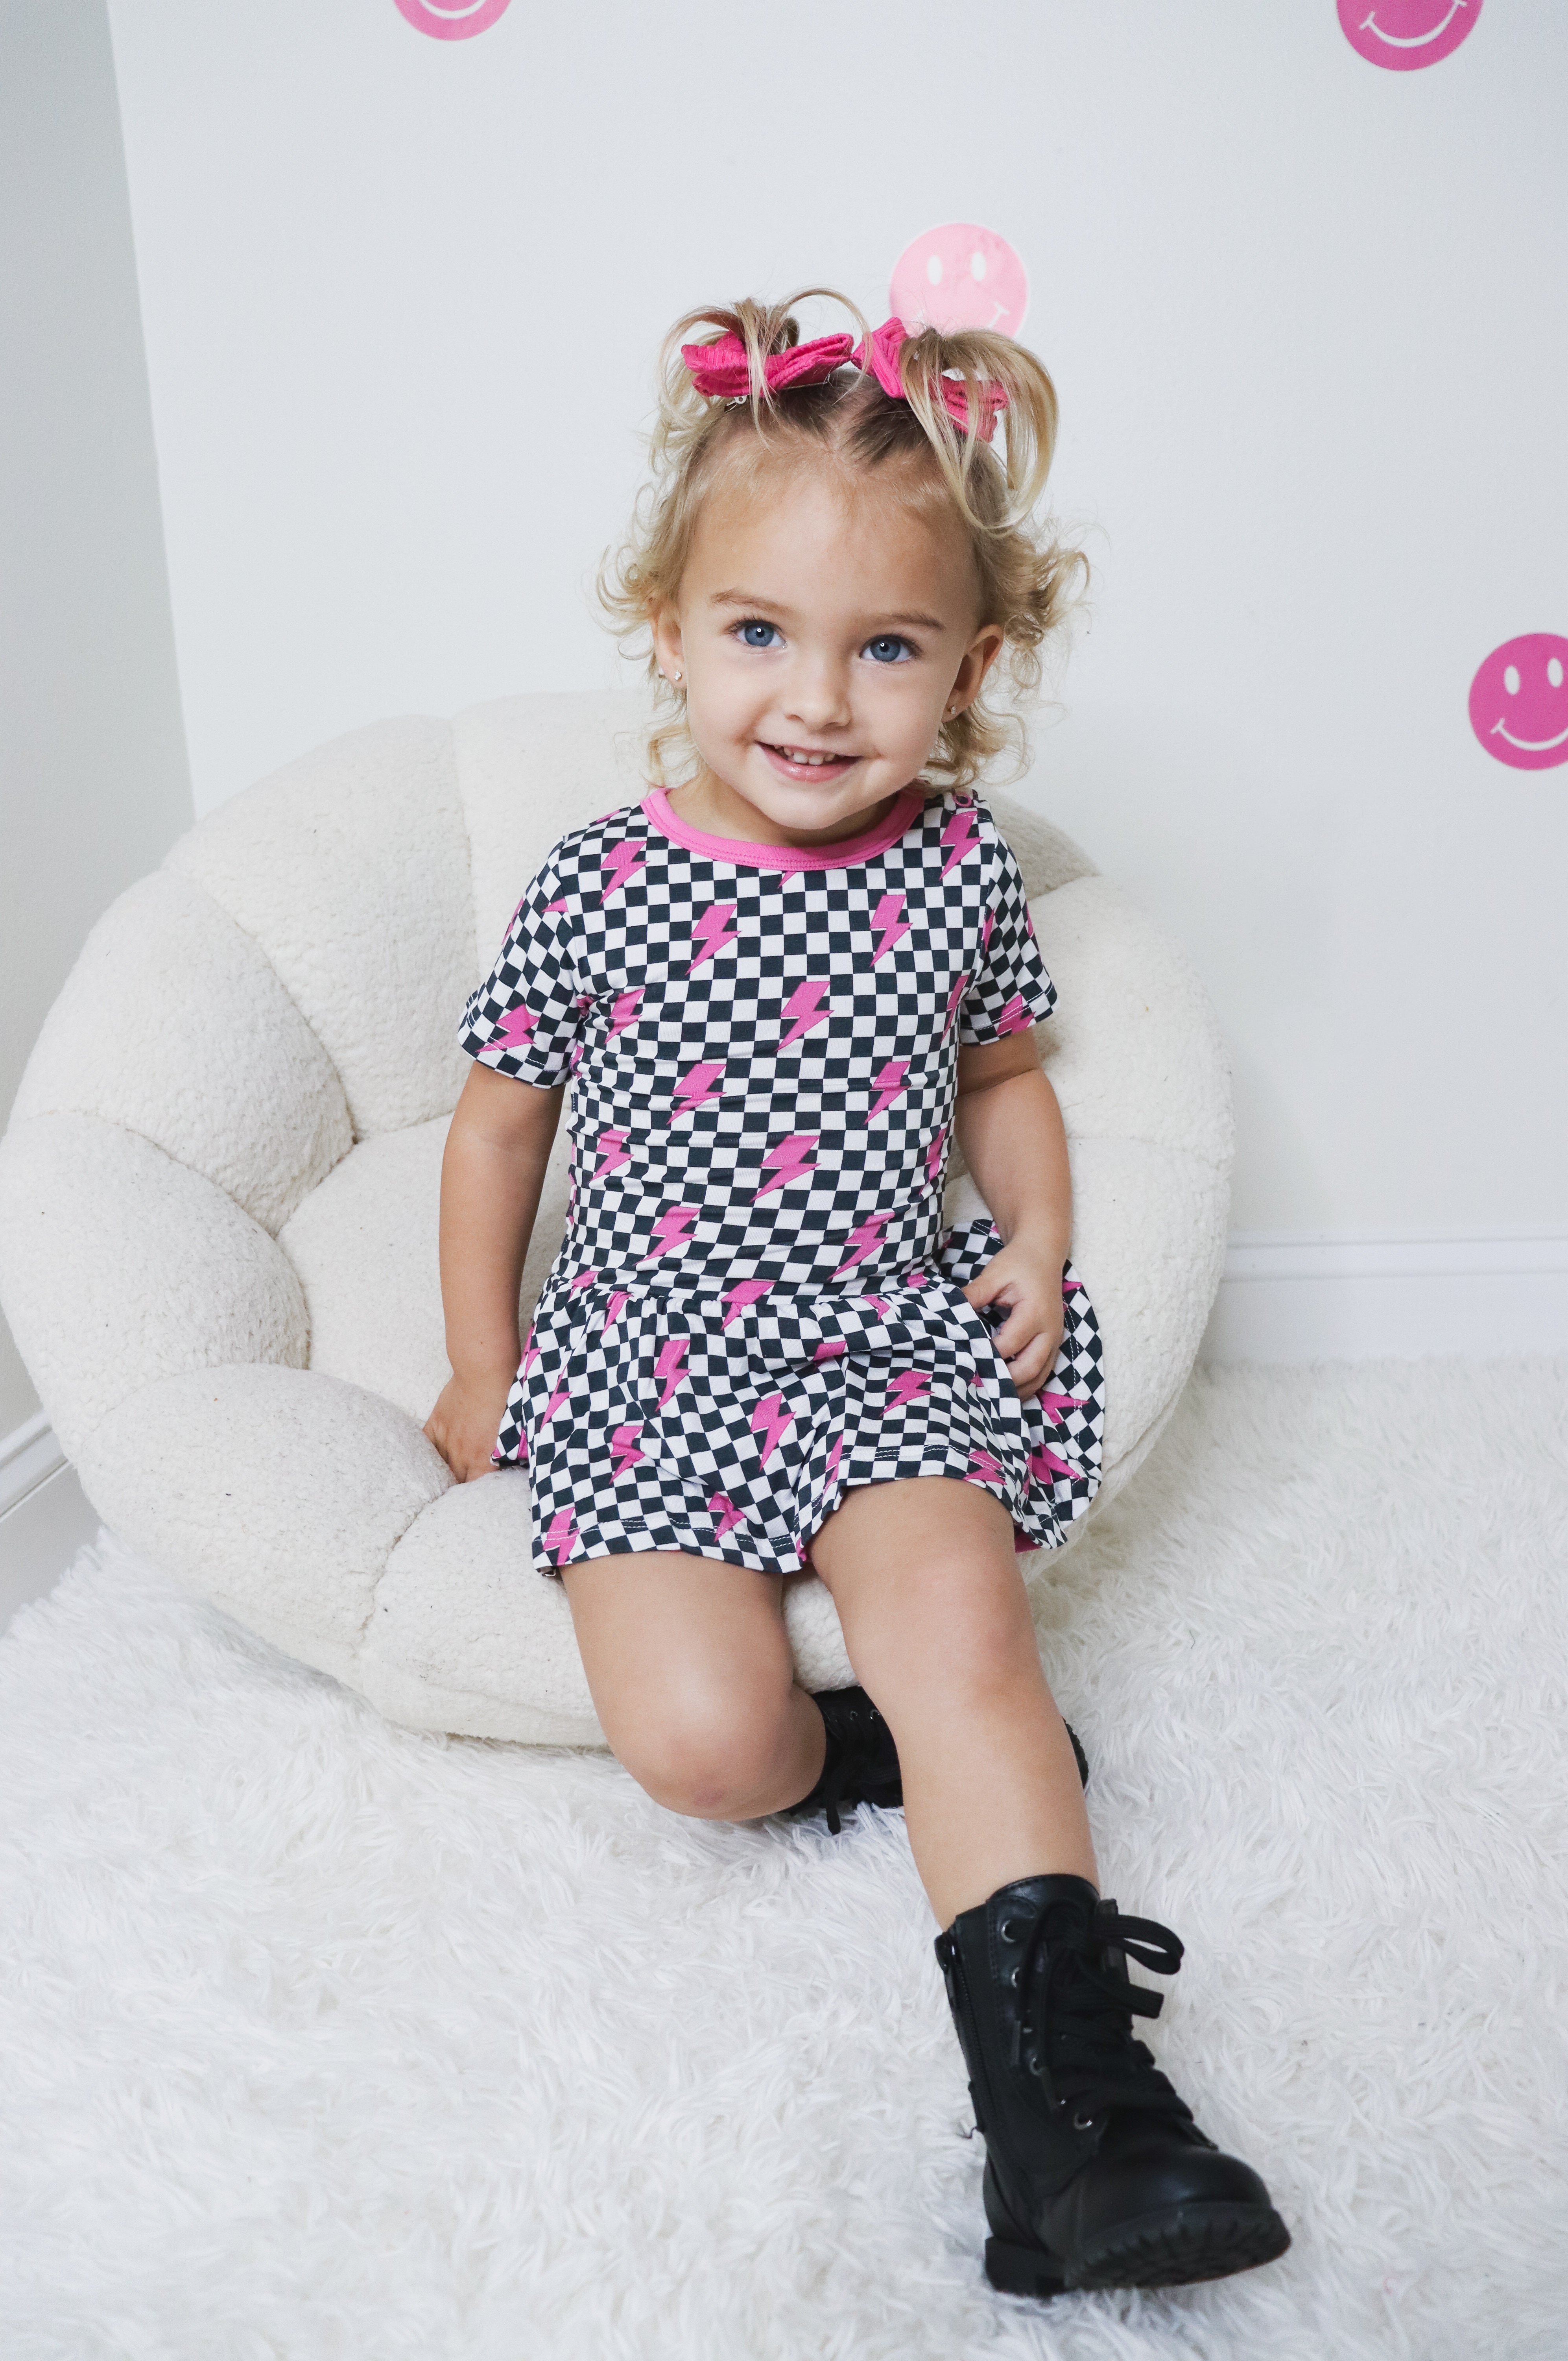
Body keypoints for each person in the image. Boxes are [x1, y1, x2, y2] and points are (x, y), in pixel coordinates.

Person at [424, 292, 1289, 2299]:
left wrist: (1036, 1240)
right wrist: (485, 1362)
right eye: (759, 633)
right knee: (707, 1753)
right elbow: (494, 1136)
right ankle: (855, 1751)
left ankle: (1076, 2127)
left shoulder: (957, 871)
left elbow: (1003, 1084)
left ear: (970, 670)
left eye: (885, 649)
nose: (816, 702)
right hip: (648, 1366)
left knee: (966, 1634)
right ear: (667, 630)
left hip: (877, 1341)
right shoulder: (599, 883)